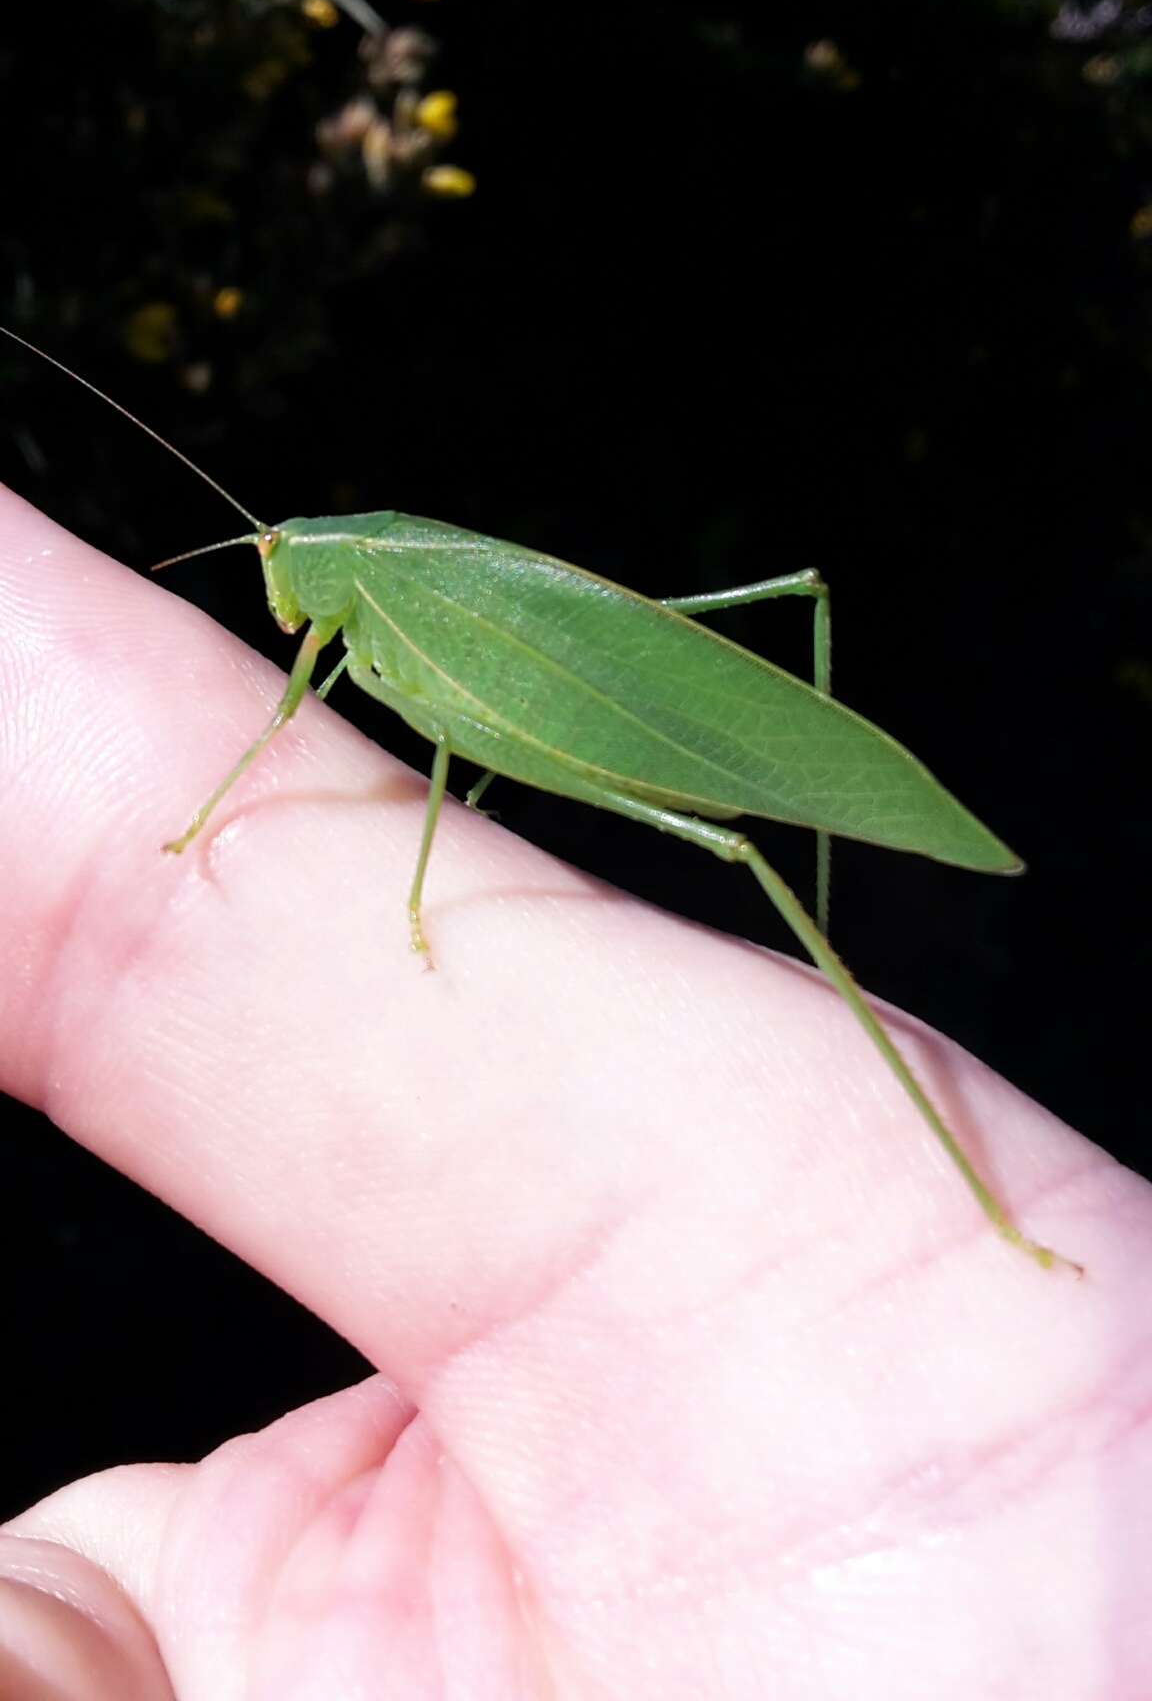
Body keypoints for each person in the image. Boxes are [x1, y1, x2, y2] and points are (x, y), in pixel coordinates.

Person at [0, 484, 1145, 1700]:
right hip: (514, 684)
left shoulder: (382, 580)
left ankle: (984, 1199)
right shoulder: (369, 589)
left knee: (744, 830)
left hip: (583, 697)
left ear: (323, 562)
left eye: (279, 559)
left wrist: (339, 866)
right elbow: (431, 721)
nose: (276, 587)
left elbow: (418, 717)